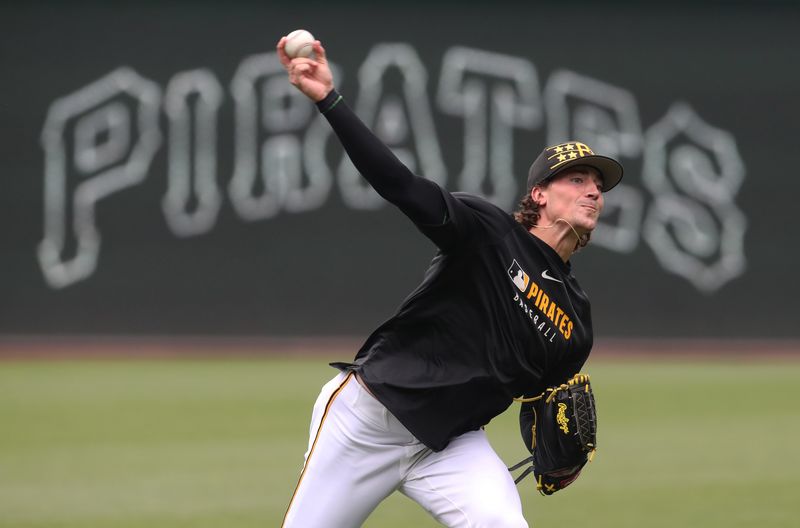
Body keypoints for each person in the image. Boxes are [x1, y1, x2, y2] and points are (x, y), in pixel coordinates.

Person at [277, 36, 623, 528]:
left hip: (451, 443)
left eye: (598, 185)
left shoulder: (575, 320)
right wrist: (329, 101)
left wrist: (560, 447)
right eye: (576, 179)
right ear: (539, 195)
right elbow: (399, 184)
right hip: (369, 420)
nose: (592, 189)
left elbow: (541, 405)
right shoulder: (486, 231)